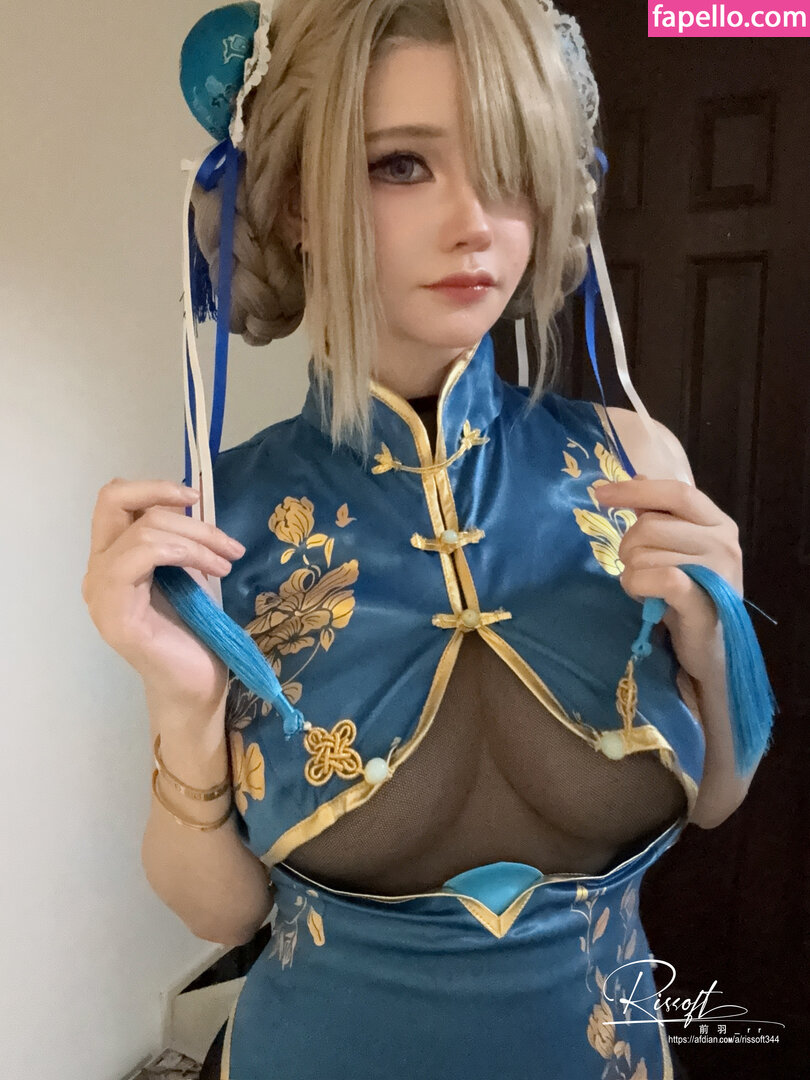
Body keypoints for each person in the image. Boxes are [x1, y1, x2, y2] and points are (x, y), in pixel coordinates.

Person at [83, 2, 767, 1077]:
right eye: (400, 165)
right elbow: (223, 913)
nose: (476, 223)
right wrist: (182, 702)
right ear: (298, 202)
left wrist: (715, 642)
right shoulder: (222, 521)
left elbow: (717, 800)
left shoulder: (635, 465)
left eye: (510, 168)